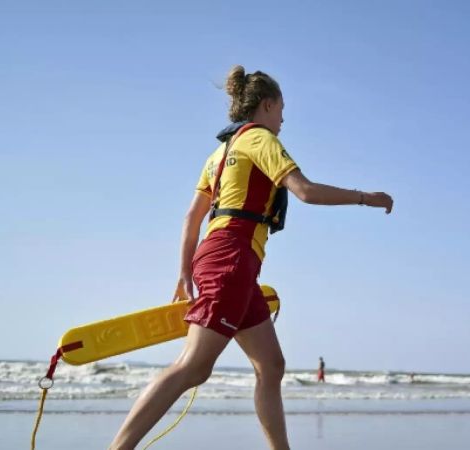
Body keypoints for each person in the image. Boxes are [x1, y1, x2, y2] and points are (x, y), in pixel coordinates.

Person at [109, 66, 393, 450]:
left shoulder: (219, 151)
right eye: (281, 111)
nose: (283, 120)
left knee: (271, 366)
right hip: (231, 258)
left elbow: (192, 217)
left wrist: (185, 271)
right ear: (268, 104)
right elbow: (305, 191)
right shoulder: (259, 139)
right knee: (193, 366)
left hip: (226, 259)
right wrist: (364, 197)